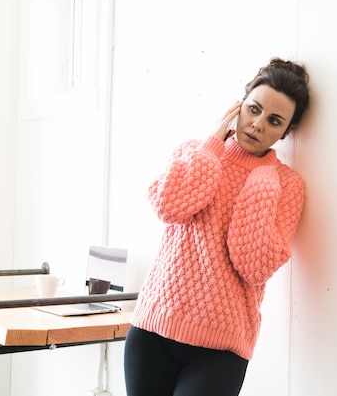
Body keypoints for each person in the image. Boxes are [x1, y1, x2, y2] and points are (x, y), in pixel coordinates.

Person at [124, 58, 310, 396]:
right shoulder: (194, 153)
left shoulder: (286, 185)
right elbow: (169, 206)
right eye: (253, 109)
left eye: (274, 121)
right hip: (152, 332)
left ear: (286, 131)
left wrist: (263, 180)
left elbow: (254, 266)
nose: (257, 125)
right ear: (238, 105)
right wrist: (212, 143)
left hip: (220, 351)